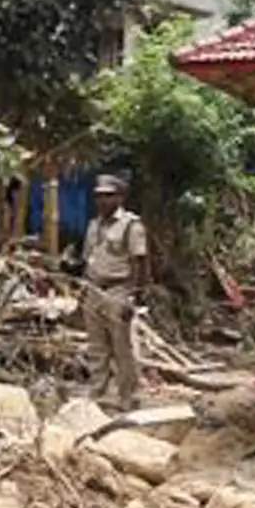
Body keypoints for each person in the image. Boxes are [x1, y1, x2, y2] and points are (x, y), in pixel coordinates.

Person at [80, 174, 153, 407]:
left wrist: (134, 297)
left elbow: (139, 262)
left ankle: (129, 396)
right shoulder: (93, 225)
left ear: (120, 198)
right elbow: (88, 259)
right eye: (99, 196)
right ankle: (97, 392)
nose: (102, 201)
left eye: (108, 196)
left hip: (118, 290)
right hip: (94, 288)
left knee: (123, 347)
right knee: (97, 346)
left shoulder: (131, 225)